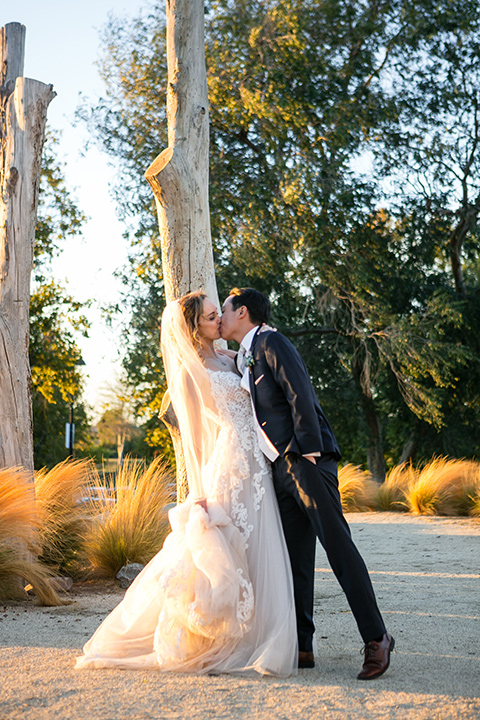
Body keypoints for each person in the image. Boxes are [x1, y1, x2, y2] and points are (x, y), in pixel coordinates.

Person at [76, 291, 297, 676]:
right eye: (212, 316)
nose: (219, 321)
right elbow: (194, 441)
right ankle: (223, 637)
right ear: (195, 327)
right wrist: (197, 493)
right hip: (229, 463)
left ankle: (262, 632)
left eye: (219, 314)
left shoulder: (232, 358)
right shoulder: (189, 371)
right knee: (232, 546)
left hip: (257, 462)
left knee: (260, 544)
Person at [220, 287, 395, 680]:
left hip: (303, 460)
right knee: (294, 557)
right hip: (278, 468)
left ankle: (377, 638)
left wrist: (309, 452)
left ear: (243, 311)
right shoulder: (246, 355)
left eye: (225, 311)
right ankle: (302, 644)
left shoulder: (271, 341)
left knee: (338, 547)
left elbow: (300, 391)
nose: (221, 318)